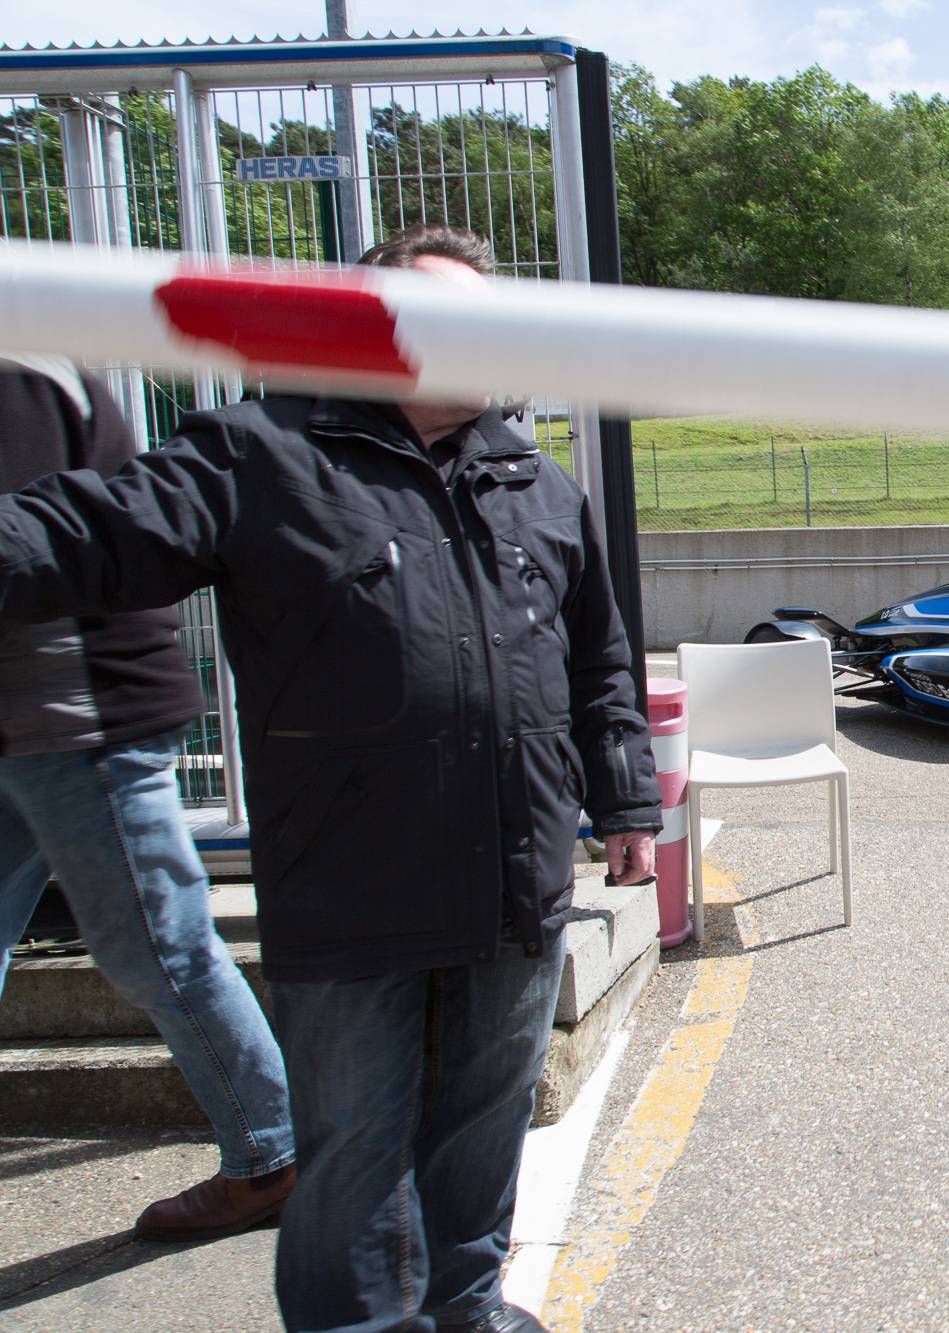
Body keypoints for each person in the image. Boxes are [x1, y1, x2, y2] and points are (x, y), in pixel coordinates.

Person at [0, 228, 663, 1333]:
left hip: (515, 881)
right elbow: (86, 533)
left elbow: (597, 657)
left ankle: (467, 1311)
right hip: (354, 893)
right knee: (353, 1156)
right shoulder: (262, 453)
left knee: (480, 1133)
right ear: (372, 326)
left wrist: (625, 795)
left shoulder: (536, 485)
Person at [0, 353, 296, 1239]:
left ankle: (272, 1154)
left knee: (158, 949)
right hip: (40, 717)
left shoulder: (19, 369)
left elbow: (37, 544)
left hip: (83, 715)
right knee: (159, 945)